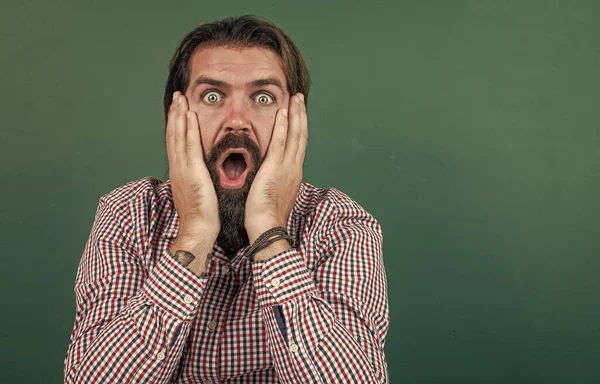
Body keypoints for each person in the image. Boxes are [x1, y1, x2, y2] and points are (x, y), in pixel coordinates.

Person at [64, 14, 390, 383]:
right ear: (176, 115)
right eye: (212, 96)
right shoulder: (129, 212)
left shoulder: (341, 224)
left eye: (263, 97)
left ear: (296, 120)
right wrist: (194, 233)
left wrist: (269, 229)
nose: (237, 120)